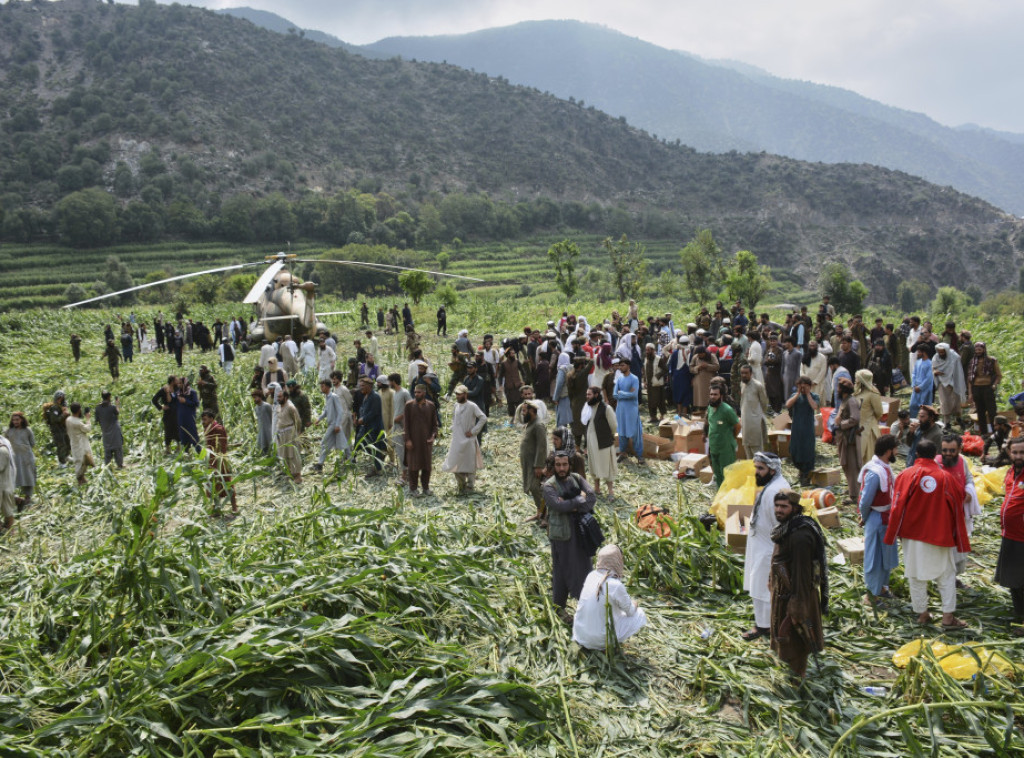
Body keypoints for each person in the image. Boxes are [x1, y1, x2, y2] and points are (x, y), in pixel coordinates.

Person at [884, 439, 969, 630]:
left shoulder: (905, 475)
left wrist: (892, 533)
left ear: (916, 454)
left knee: (915, 575)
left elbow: (896, 506)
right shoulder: (946, 477)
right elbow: (959, 502)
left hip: (912, 535)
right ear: (935, 454)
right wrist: (958, 534)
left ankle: (922, 614)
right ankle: (947, 618)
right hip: (939, 534)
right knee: (946, 575)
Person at [769, 489, 828, 679]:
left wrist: (797, 602)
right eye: (777, 506)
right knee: (786, 637)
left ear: (795, 508)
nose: (779, 510)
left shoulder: (800, 536)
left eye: (784, 507)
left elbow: (803, 572)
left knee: (798, 637)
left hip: (797, 594)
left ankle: (799, 675)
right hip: (784, 591)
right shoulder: (787, 527)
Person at [742, 452, 791, 641]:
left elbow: (782, 525)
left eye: (760, 469)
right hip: (760, 545)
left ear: (772, 469)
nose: (757, 472)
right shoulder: (772, 486)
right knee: (759, 587)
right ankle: (765, 623)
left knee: (765, 589)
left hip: (769, 549)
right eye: (756, 468)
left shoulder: (777, 491)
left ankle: (766, 626)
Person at [543, 452, 597, 622]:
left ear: (569, 465)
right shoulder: (548, 486)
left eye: (564, 464)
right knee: (561, 569)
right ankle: (559, 607)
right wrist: (578, 500)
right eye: (558, 465)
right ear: (553, 466)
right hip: (561, 535)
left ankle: (585, 605)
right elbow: (558, 506)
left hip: (580, 533)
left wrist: (573, 505)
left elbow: (592, 498)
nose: (561, 468)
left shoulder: (576, 478)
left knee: (584, 567)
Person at [573, 544, 647, 650]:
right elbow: (630, 612)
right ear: (617, 561)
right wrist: (635, 604)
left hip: (580, 635)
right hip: (599, 639)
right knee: (640, 615)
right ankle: (607, 646)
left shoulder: (591, 575)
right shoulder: (615, 585)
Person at [858, 434, 900, 605]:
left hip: (887, 518)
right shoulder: (875, 473)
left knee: (886, 555)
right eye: (896, 448)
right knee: (875, 556)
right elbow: (865, 500)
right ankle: (871, 594)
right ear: (889, 451)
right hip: (876, 517)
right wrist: (865, 517)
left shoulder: (885, 468)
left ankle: (882, 587)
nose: (897, 451)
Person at [937, 433, 981, 582]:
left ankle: (953, 578)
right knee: (944, 549)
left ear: (959, 450)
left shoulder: (962, 462)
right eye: (945, 450)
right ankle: (943, 578)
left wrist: (969, 492)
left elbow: (968, 478)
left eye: (952, 450)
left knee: (957, 547)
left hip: (959, 513)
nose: (948, 454)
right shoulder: (936, 463)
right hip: (942, 515)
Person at [996, 438, 1024, 636]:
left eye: (1022, 453)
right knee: (1013, 579)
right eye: (1015, 452)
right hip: (1009, 535)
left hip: (1022, 537)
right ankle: (1019, 615)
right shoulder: (1010, 472)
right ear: (1009, 453)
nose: (1018, 456)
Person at [442, 384, 487, 494]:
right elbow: (454, 419)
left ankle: (470, 486)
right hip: (457, 439)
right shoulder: (456, 406)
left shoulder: (472, 406)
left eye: (459, 394)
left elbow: (483, 418)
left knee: (469, 463)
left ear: (465, 394)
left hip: (468, 439)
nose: (457, 396)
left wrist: (473, 431)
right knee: (455, 461)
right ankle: (461, 485)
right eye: (456, 394)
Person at [200, 409, 238, 515]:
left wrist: (219, 459)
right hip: (211, 462)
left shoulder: (218, 429)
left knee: (227, 484)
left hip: (220, 461)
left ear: (212, 419)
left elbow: (223, 445)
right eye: (202, 420)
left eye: (205, 420)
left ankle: (235, 508)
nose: (203, 422)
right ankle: (217, 508)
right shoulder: (207, 429)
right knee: (213, 486)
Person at [404, 383, 438, 497]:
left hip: (426, 442)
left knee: (426, 466)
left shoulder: (431, 406)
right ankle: (413, 488)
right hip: (413, 441)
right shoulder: (409, 405)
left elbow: (435, 425)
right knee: (413, 466)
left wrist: (433, 436)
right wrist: (407, 440)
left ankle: (425, 487)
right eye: (415, 392)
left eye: (418, 392)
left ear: (424, 393)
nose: (416, 394)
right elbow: (406, 425)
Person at [785, 377, 819, 487]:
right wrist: (798, 393)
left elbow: (814, 406)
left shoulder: (814, 396)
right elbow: (788, 405)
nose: (803, 388)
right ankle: (800, 470)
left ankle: (806, 474)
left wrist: (808, 394)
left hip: (808, 428)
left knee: (807, 451)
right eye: (801, 385)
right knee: (795, 450)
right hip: (796, 428)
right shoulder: (795, 396)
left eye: (805, 385)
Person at [705, 385, 740, 488]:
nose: (712, 397)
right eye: (711, 394)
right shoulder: (710, 408)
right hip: (714, 447)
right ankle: (720, 497)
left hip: (726, 448)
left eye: (715, 394)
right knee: (718, 475)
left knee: (727, 475)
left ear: (721, 396)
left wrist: (731, 438)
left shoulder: (727, 410)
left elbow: (738, 426)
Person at [834, 377, 862, 502]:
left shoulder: (851, 401)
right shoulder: (845, 400)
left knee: (851, 465)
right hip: (842, 437)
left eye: (839, 388)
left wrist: (842, 424)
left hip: (849, 439)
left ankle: (854, 495)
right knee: (846, 464)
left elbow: (855, 418)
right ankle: (852, 489)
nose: (837, 390)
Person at [612, 357, 644, 465]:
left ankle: (639, 455)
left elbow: (634, 395)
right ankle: (623, 453)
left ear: (628, 366)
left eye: (622, 365)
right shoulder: (619, 379)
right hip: (620, 410)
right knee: (621, 432)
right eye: (619, 365)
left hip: (631, 410)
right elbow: (614, 394)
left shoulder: (634, 379)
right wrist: (624, 394)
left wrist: (622, 393)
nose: (620, 367)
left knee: (634, 432)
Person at [520, 401, 549, 520]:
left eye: (524, 411)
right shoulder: (530, 423)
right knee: (533, 488)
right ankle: (539, 512)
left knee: (535, 487)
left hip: (535, 464)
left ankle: (545, 515)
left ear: (532, 411)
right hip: (529, 463)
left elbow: (542, 446)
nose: (522, 413)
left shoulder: (538, 425)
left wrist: (538, 466)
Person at [314, 379, 349, 472]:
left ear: (328, 387)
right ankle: (351, 459)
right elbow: (326, 411)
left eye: (323, 386)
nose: (321, 388)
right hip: (332, 424)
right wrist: (319, 419)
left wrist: (337, 425)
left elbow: (340, 411)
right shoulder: (327, 397)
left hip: (334, 424)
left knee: (324, 443)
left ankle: (319, 464)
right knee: (343, 443)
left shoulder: (334, 397)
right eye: (321, 386)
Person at [967, 342, 1001, 435]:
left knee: (992, 412)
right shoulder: (973, 361)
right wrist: (970, 393)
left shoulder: (992, 360)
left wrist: (994, 385)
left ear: (984, 350)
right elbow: (970, 379)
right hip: (976, 389)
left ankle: (996, 433)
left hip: (988, 388)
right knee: (980, 412)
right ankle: (984, 433)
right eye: (976, 350)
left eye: (980, 350)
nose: (978, 352)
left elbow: (999, 375)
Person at [355, 377, 385, 478]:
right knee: (365, 446)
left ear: (369, 386)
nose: (361, 388)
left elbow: (374, 412)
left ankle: (378, 469)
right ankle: (376, 466)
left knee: (374, 448)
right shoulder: (366, 396)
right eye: (360, 385)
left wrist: (363, 419)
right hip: (366, 427)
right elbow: (363, 410)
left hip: (374, 427)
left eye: (363, 386)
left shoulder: (375, 397)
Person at [932, 343, 966, 428]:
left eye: (943, 352)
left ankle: (958, 418)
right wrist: (935, 372)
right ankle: (947, 422)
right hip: (942, 382)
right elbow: (933, 368)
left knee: (956, 402)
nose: (941, 354)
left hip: (954, 381)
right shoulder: (936, 357)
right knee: (945, 402)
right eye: (939, 352)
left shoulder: (954, 356)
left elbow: (958, 368)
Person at [854, 369, 883, 469]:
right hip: (856, 429)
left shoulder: (873, 393)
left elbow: (879, 412)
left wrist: (870, 421)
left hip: (869, 430)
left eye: (857, 378)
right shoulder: (857, 392)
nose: (855, 380)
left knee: (868, 456)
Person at [739, 364, 769, 458]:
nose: (744, 375)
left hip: (755, 421)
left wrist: (757, 415)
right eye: (742, 373)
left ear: (751, 373)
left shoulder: (758, 385)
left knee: (757, 449)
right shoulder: (742, 384)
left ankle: (759, 470)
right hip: (745, 421)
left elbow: (764, 404)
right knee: (747, 446)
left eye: (746, 373)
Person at [275, 386, 303, 483]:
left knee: (293, 454)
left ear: (285, 397)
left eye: (280, 397)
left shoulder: (290, 407)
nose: (278, 399)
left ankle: (297, 475)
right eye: (277, 397)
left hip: (290, 433)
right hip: (281, 434)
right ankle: (289, 473)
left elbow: (297, 420)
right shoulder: (279, 407)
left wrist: (297, 432)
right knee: (284, 454)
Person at [6, 412, 35, 507]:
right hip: (14, 458)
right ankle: (14, 498)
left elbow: (32, 443)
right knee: (12, 478)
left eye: (17, 420)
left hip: (26, 457)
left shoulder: (27, 430)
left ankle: (28, 497)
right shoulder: (9, 431)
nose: (15, 422)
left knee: (28, 476)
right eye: (14, 420)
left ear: (22, 420)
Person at [389, 374, 412, 483]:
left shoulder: (404, 393)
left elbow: (411, 407)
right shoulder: (396, 394)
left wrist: (401, 417)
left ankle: (405, 476)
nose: (389, 384)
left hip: (403, 426)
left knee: (402, 450)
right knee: (399, 450)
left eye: (390, 381)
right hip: (397, 426)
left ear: (393, 381)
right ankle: (405, 473)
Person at [65, 403, 94, 486]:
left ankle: (82, 477)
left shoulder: (68, 419)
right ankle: (79, 479)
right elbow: (87, 429)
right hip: (80, 444)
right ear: (79, 410)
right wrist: (88, 419)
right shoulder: (77, 422)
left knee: (81, 460)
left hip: (74, 442)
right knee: (80, 461)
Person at [94, 391, 124, 468]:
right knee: (118, 448)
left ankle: (108, 466)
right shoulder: (112, 407)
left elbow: (96, 420)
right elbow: (117, 412)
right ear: (109, 397)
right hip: (114, 431)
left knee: (107, 450)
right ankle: (119, 465)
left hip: (105, 431)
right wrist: (117, 403)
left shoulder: (98, 408)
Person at [174, 378, 201, 453]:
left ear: (184, 384)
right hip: (181, 417)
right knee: (183, 434)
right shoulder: (178, 393)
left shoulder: (192, 392)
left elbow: (196, 404)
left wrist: (186, 401)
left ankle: (198, 451)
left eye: (180, 383)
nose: (178, 385)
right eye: (178, 383)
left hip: (190, 417)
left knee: (193, 434)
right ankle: (186, 452)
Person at [45, 390, 71, 467]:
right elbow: (55, 420)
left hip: (63, 428)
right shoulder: (54, 408)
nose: (61, 400)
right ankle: (61, 462)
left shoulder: (62, 406)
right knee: (61, 445)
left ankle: (66, 456)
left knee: (67, 443)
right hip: (56, 430)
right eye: (60, 398)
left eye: (62, 398)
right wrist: (63, 415)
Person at [644, 343, 668, 424]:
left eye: (648, 350)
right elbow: (645, 370)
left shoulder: (659, 359)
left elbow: (665, 369)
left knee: (660, 401)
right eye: (646, 350)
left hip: (658, 385)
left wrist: (657, 376)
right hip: (650, 385)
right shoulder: (646, 359)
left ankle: (662, 416)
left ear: (653, 350)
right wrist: (645, 381)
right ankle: (653, 417)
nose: (647, 352)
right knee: (651, 402)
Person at [908, 346, 934, 419]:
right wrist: (914, 385)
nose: (918, 353)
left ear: (924, 352)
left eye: (919, 352)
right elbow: (914, 374)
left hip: (925, 389)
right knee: (912, 405)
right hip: (916, 388)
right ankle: (912, 421)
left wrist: (920, 387)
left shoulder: (930, 364)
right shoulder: (918, 362)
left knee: (925, 408)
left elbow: (928, 378)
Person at [0, 431, 15, 533]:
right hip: (3, 486)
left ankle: (9, 531)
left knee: (8, 511)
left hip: (4, 486)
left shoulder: (2, 451)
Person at [251, 388, 273, 456]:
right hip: (261, 431)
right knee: (262, 447)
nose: (254, 399)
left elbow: (272, 417)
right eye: (253, 398)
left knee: (271, 446)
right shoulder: (256, 408)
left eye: (255, 397)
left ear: (260, 397)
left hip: (269, 430)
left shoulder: (267, 406)